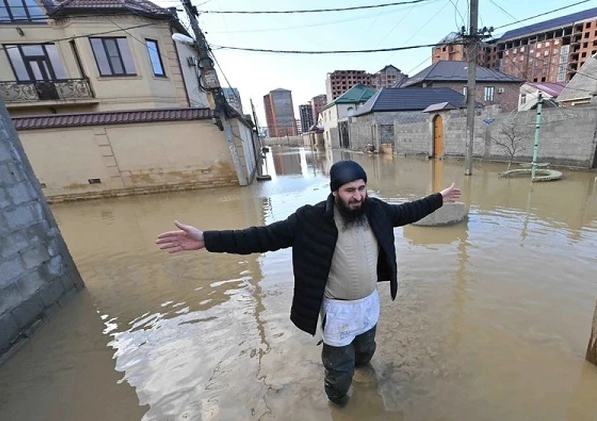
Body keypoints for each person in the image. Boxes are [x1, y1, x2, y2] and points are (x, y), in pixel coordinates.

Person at [155, 160, 462, 406]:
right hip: (338, 310)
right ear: (334, 192)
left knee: (366, 350)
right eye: (349, 190)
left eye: (361, 188)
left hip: (369, 302)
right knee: (339, 369)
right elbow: (260, 237)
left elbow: (408, 211)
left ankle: (363, 373)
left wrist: (439, 198)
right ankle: (338, 404)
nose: (357, 196)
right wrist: (206, 239)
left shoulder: (376, 210)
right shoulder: (310, 220)